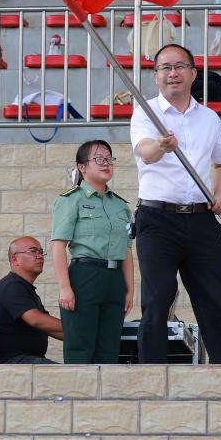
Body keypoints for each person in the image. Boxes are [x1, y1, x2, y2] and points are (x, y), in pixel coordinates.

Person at [129, 42, 221, 364]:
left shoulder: (209, 118)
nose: (172, 73)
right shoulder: (146, 111)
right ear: (156, 76)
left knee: (215, 301)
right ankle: (153, 374)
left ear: (192, 73)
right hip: (157, 219)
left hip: (201, 220)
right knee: (157, 299)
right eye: (165, 68)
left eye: (179, 66)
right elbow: (145, 152)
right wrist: (162, 146)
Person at [50, 140, 134, 364]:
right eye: (98, 159)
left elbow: (126, 250)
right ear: (82, 167)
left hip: (114, 278)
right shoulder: (71, 200)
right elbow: (58, 246)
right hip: (84, 275)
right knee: (80, 346)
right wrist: (64, 287)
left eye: (109, 159)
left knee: (109, 348)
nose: (106, 163)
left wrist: (130, 290)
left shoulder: (121, 206)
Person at [0, 236, 63, 363]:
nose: (40, 256)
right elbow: (36, 320)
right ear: (15, 259)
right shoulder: (11, 285)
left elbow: (48, 328)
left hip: (25, 361)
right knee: (69, 373)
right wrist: (77, 328)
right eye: (33, 251)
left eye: (41, 252)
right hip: (10, 362)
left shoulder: (26, 289)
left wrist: (83, 336)